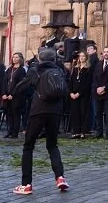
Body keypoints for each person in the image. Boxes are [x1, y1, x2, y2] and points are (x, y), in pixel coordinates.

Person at [13, 47, 69, 195]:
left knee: (28, 146)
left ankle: (26, 184)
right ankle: (60, 177)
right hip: (56, 111)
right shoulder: (60, 70)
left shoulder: (35, 70)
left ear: (39, 58)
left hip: (38, 110)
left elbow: (19, 88)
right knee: (52, 145)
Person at [2, 53, 28, 138]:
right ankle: (9, 131)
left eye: (17, 57)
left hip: (17, 97)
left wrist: (13, 94)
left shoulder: (21, 70)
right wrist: (4, 93)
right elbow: (5, 82)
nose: (14, 59)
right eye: (13, 57)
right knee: (9, 114)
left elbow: (20, 84)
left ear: (20, 59)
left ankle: (15, 132)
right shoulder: (9, 69)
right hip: (7, 95)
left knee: (16, 114)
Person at [68, 51, 92, 139]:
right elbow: (71, 81)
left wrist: (79, 93)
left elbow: (87, 84)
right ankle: (76, 131)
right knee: (75, 113)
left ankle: (83, 131)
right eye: (80, 56)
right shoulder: (75, 68)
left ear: (86, 57)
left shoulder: (88, 69)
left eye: (83, 56)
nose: (81, 58)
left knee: (83, 113)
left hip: (83, 95)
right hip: (73, 94)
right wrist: (70, 92)